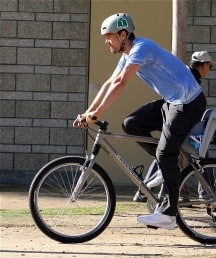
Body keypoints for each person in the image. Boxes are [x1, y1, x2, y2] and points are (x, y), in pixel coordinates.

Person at [73, 13, 207, 230]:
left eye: (109, 37)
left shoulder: (141, 48)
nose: (107, 41)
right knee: (131, 123)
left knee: (165, 154)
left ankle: (169, 214)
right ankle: (167, 165)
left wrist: (97, 113)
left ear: (123, 34)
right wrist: (88, 112)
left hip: (188, 102)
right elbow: (109, 83)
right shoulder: (126, 55)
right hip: (171, 102)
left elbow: (121, 82)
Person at [133, 51, 215, 201]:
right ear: (203, 65)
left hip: (170, 112)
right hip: (176, 115)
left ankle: (143, 191)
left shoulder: (187, 73)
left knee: (164, 152)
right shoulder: (192, 79)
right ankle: (206, 193)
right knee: (185, 153)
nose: (209, 70)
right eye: (210, 66)